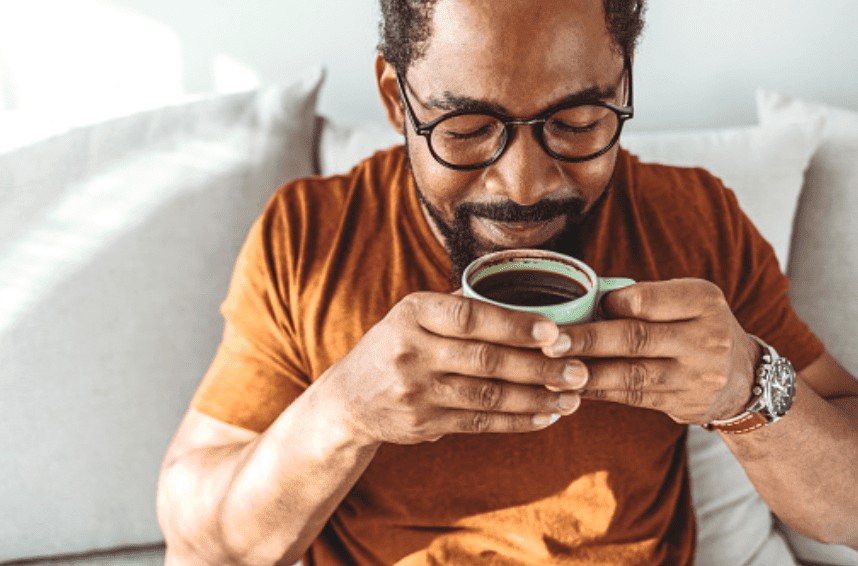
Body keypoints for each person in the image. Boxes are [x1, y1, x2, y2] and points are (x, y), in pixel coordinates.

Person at [156, 0, 858, 564]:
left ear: (626, 84)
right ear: (397, 101)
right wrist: (344, 411)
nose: (523, 184)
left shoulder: (695, 221)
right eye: (466, 129)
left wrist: (748, 386)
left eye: (577, 123)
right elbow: (200, 545)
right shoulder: (309, 238)